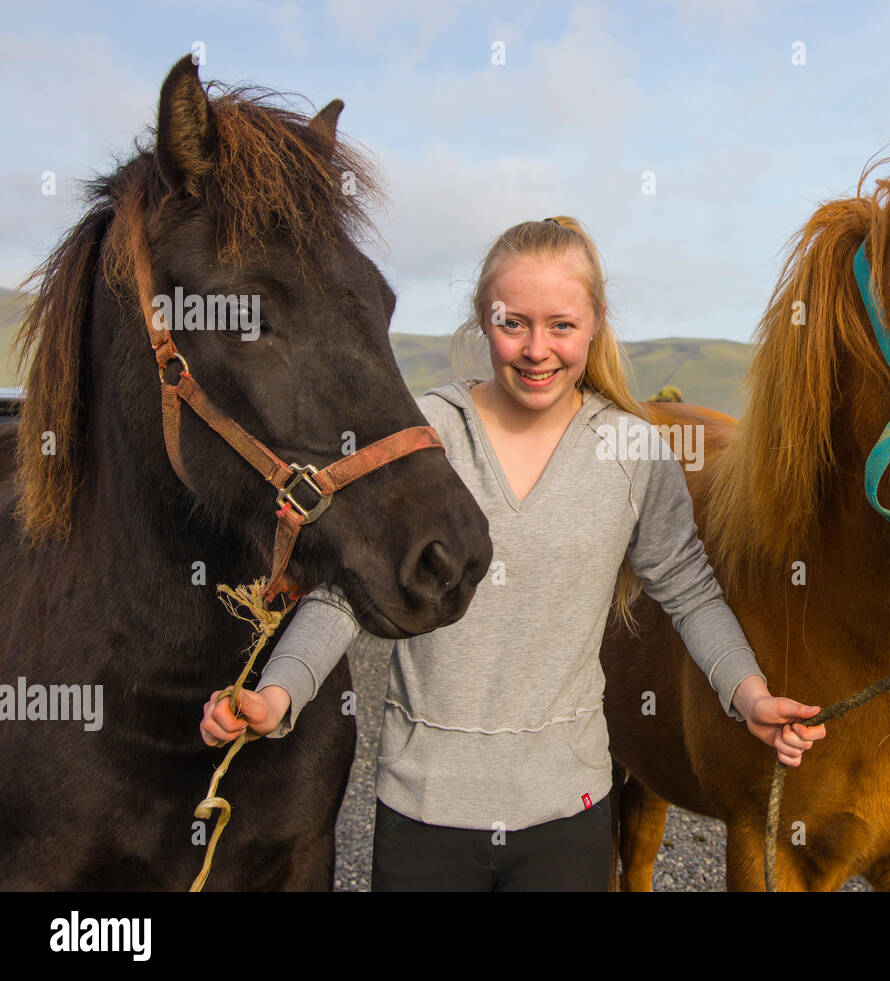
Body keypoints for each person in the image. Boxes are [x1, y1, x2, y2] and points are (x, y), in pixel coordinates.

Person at [198, 216, 827, 891]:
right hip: (424, 811)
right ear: (480, 319)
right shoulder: (422, 435)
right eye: (512, 323)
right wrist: (277, 692)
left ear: (594, 323)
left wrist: (750, 694)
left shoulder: (634, 452)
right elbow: (345, 590)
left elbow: (690, 592)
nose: (536, 349)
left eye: (560, 325)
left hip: (568, 816)